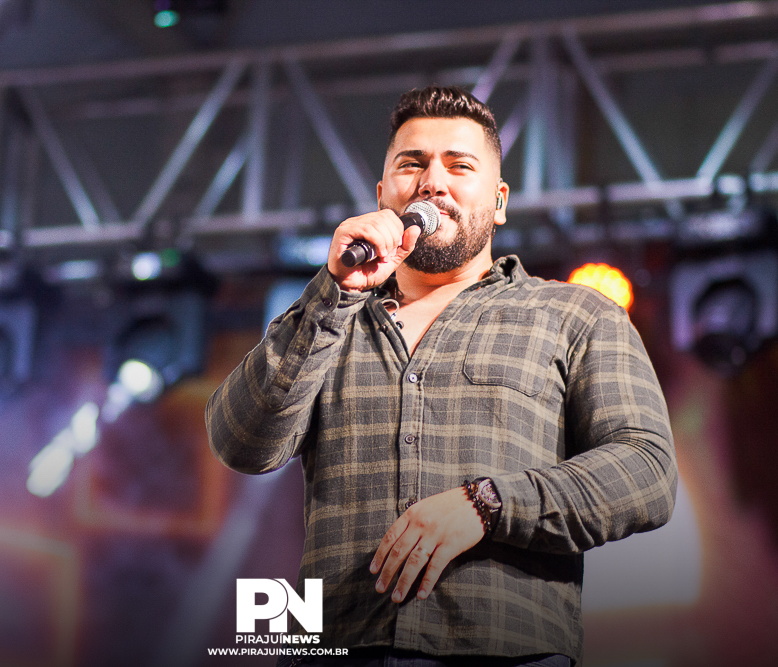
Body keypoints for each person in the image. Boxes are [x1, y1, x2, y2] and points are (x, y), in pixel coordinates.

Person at [206, 86, 676, 666]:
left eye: (459, 165)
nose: (432, 181)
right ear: (383, 195)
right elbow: (240, 443)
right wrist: (335, 293)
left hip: (505, 652)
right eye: (412, 164)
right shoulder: (327, 317)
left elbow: (646, 471)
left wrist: (488, 504)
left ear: (498, 201)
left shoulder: (575, 315)